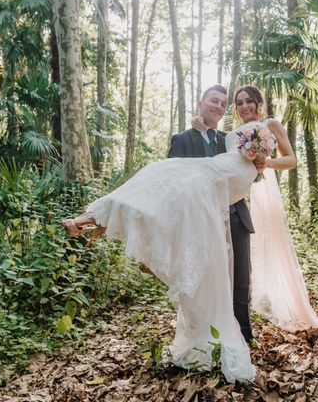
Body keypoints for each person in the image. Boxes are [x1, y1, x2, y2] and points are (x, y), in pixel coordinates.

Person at [62, 85, 297, 383]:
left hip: (232, 186)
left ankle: (110, 220)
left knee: (171, 180)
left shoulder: (270, 125)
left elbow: (291, 160)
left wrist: (266, 162)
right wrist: (200, 128)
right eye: (238, 103)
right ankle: (98, 217)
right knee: (164, 175)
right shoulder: (229, 133)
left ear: (259, 102)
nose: (243, 106)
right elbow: (215, 149)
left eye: (247, 101)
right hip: (218, 183)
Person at [168, 85, 255, 344]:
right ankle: (205, 339)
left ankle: (244, 339)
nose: (218, 106)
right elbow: (174, 182)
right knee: (204, 283)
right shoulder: (182, 139)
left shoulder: (230, 140)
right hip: (203, 223)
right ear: (200, 103)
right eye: (213, 101)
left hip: (236, 217)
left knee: (240, 281)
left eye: (223, 103)